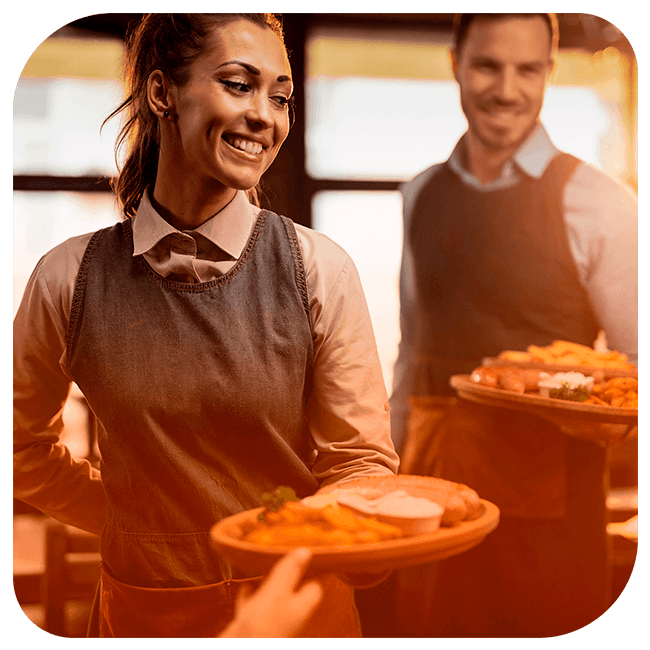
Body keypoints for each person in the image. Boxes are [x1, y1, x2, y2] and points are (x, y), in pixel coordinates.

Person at [13, 13, 398, 638]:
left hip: (298, 605)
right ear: (162, 93)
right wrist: (128, 518)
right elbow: (19, 447)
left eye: (280, 98)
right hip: (142, 612)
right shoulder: (66, 278)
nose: (265, 117)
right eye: (239, 85)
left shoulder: (321, 268)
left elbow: (359, 461)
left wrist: (348, 537)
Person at [390, 13, 637, 637]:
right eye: (487, 66)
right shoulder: (419, 194)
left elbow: (634, 368)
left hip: (548, 502)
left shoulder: (600, 200)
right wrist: (385, 475)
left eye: (528, 69)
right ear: (455, 65)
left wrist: (607, 417)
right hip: (431, 495)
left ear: (549, 74)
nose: (507, 89)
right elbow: (414, 346)